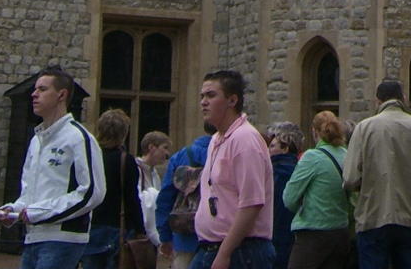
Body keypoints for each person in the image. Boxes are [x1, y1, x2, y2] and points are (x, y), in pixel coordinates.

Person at [0, 66, 107, 269]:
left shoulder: (78, 138)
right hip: (33, 237)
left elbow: (93, 192)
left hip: (63, 238)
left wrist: (40, 213)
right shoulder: (36, 141)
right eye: (35, 89)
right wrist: (15, 209)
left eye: (42, 89)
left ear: (61, 95)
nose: (34, 94)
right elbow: (30, 191)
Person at [341, 79, 411, 269]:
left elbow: (349, 179)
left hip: (373, 216)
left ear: (377, 101)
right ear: (403, 98)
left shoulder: (364, 128)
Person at [193, 69, 275, 269]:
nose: (204, 102)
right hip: (211, 248)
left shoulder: (245, 140)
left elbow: (252, 203)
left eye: (211, 95)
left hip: (241, 251)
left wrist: (225, 254)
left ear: (232, 100)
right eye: (202, 96)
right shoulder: (216, 140)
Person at [283, 111, 354, 269]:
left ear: (314, 132)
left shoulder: (312, 157)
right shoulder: (347, 155)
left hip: (313, 233)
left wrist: (302, 207)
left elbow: (289, 198)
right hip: (341, 231)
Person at [81, 108, 147, 269]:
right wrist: (140, 229)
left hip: (91, 225)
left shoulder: (89, 157)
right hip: (118, 228)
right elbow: (131, 198)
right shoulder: (126, 160)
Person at [157, 128, 213, 269]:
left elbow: (165, 198)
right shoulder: (228, 154)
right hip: (219, 238)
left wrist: (165, 236)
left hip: (184, 235)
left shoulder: (182, 155)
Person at [267, 122, 305, 269]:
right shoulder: (300, 170)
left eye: (272, 146)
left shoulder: (275, 173)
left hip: (274, 234)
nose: (268, 150)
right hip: (295, 235)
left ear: (285, 148)